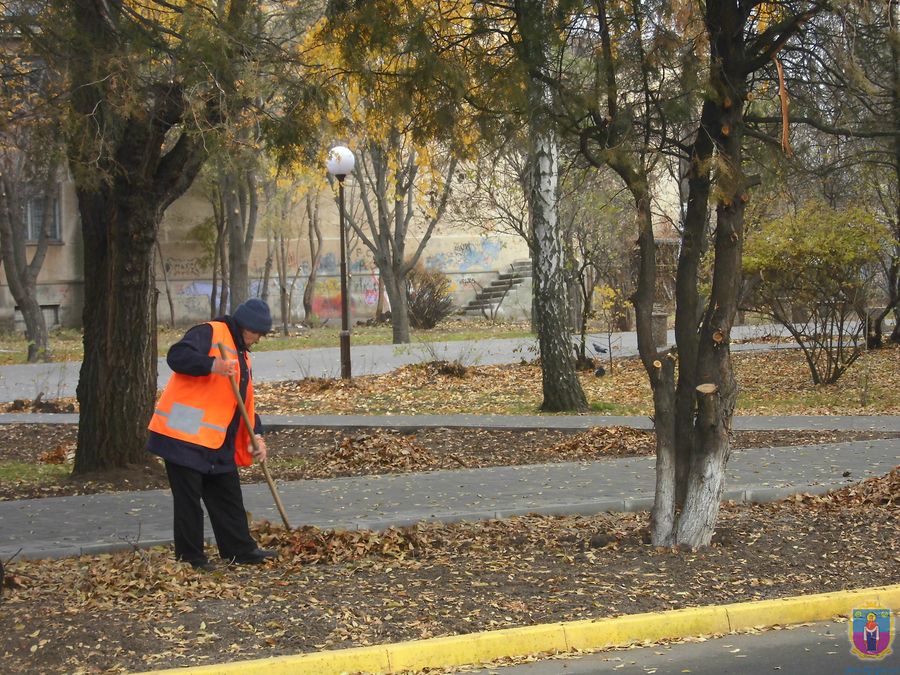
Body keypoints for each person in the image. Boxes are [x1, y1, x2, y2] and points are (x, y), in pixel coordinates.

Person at [148, 298, 278, 571]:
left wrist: (256, 435)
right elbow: (177, 356)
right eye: (258, 334)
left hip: (216, 440)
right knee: (189, 502)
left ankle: (240, 550)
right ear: (247, 327)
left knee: (227, 495)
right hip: (183, 436)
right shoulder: (209, 332)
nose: (259, 340)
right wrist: (212, 365)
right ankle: (191, 559)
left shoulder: (242, 354)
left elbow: (244, 402)